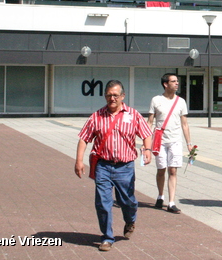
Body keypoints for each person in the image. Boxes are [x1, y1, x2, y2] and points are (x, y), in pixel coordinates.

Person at [74, 80, 153, 252]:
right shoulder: (96, 116)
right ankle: (107, 237)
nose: (112, 98)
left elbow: (146, 133)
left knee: (127, 201)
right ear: (105, 96)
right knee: (103, 203)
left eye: (115, 95)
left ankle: (130, 219)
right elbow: (84, 138)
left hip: (125, 167)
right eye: (109, 95)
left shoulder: (133, 115)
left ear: (122, 96)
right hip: (103, 166)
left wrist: (147, 149)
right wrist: (79, 160)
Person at [148, 73, 193, 214]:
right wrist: (145, 143)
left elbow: (184, 124)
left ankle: (171, 202)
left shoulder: (181, 101)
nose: (177, 83)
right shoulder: (156, 100)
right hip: (159, 141)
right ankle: (160, 196)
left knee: (173, 170)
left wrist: (189, 143)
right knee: (161, 169)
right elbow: (149, 122)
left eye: (177, 81)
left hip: (175, 141)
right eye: (173, 81)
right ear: (165, 84)